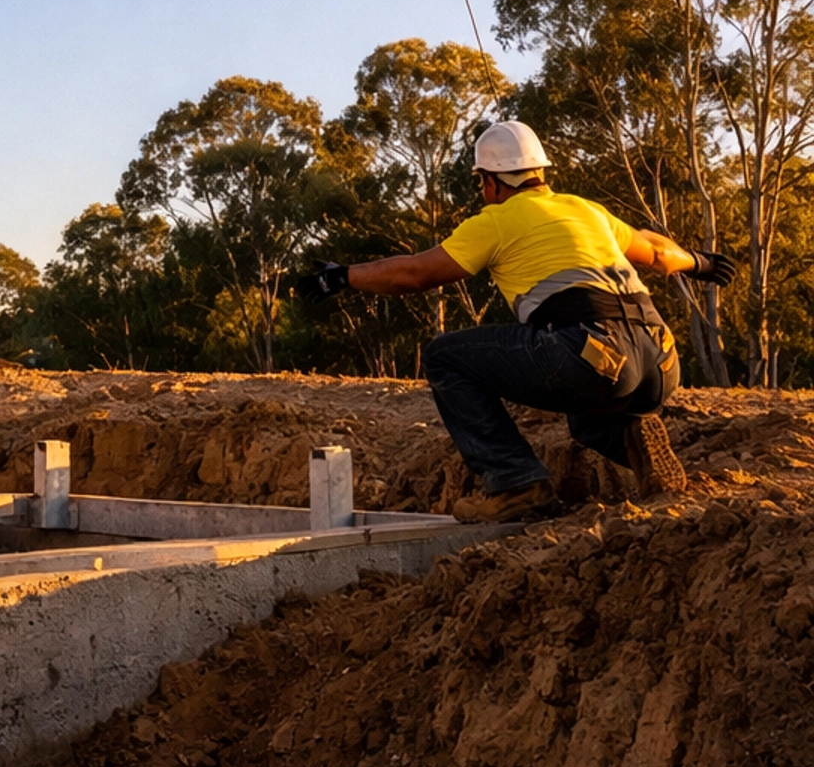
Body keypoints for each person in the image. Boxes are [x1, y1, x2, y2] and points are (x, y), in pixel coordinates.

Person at [294, 120, 734, 524]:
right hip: (660, 358)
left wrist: (343, 276)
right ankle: (637, 442)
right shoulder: (586, 209)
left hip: (593, 353)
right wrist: (700, 262)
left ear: (489, 181)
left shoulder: (496, 220)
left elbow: (414, 274)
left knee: (444, 356)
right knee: (585, 420)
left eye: (480, 183)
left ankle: (517, 484)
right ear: (539, 173)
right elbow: (657, 253)